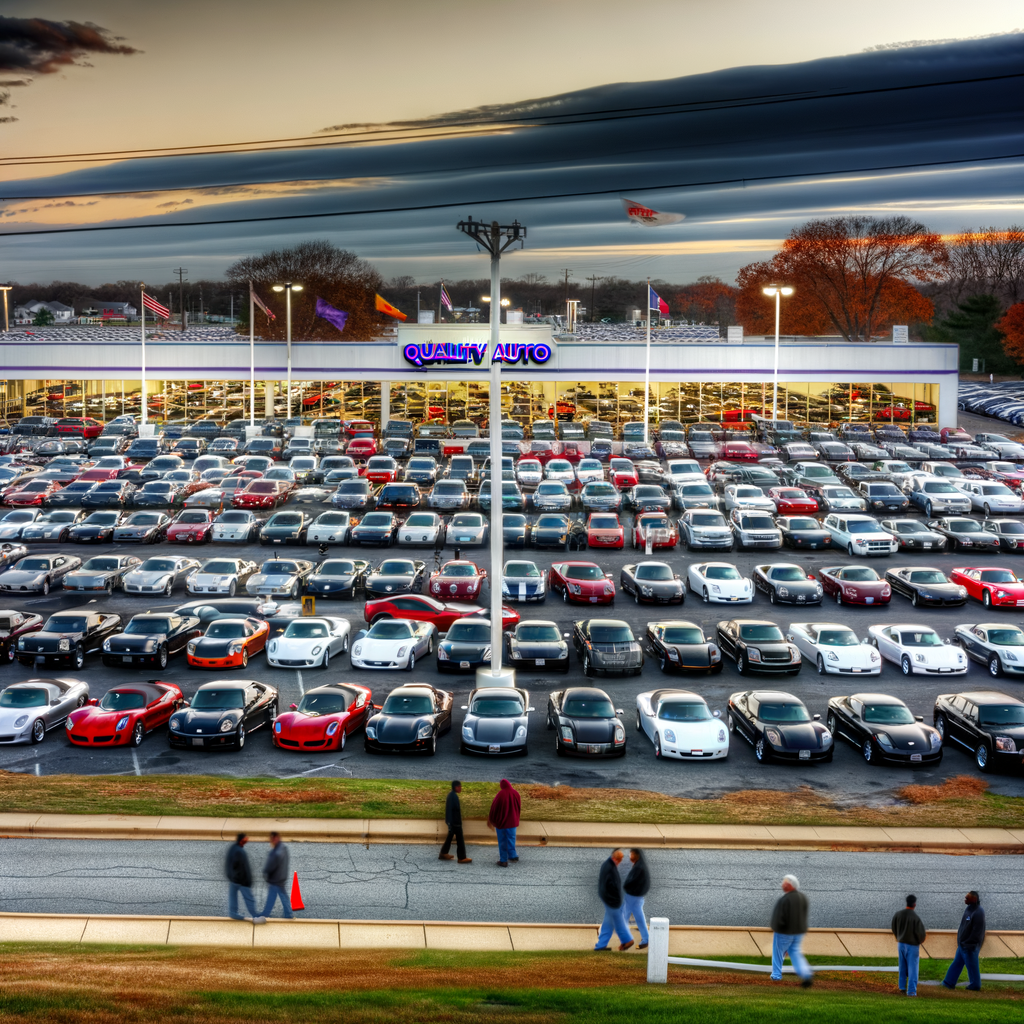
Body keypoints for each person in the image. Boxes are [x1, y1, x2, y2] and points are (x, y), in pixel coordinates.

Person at [769, 874, 812, 986]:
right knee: (795, 953)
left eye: (785, 882)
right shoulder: (803, 897)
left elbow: (779, 917)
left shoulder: (785, 899)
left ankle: (776, 976)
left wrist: (776, 928)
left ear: (789, 885)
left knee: (778, 953)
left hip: (784, 933)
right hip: (798, 933)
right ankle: (806, 974)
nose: (782, 884)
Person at [942, 891, 986, 991]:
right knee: (957, 963)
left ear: (974, 899)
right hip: (962, 945)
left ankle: (975, 985)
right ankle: (948, 982)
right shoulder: (968, 909)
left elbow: (977, 932)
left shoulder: (979, 912)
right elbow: (963, 926)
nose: (965, 900)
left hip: (970, 946)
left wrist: (969, 943)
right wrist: (960, 940)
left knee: (972, 967)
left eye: (967, 898)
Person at [595, 849, 634, 952]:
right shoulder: (610, 868)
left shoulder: (608, 865)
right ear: (615, 859)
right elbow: (611, 886)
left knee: (608, 923)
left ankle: (600, 946)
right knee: (618, 921)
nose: (619, 862)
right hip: (611, 901)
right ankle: (627, 939)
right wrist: (617, 900)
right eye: (619, 860)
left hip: (608, 899)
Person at [891, 894, 926, 996]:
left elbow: (894, 927)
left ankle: (902, 987)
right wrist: (920, 941)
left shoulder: (898, 915)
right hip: (912, 946)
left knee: (902, 966)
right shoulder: (916, 918)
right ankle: (911, 991)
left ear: (907, 902)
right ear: (914, 904)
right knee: (913, 969)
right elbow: (921, 934)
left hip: (901, 944)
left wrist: (898, 937)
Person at [254, 831, 293, 923]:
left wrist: (266, 872)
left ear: (275, 838)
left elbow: (270, 866)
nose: (271, 841)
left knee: (279, 896)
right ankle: (285, 913)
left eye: (272, 839)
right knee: (275, 897)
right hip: (281, 877)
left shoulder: (276, 852)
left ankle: (287, 914)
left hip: (276, 879)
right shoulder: (284, 848)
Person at [487, 779, 521, 867]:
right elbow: (518, 806)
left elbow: (494, 807)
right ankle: (513, 856)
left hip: (502, 823)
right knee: (511, 839)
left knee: (502, 841)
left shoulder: (500, 794)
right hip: (513, 822)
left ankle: (503, 860)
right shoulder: (516, 793)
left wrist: (492, 819)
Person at [623, 848, 650, 950]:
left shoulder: (639, 867)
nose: (630, 856)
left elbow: (631, 882)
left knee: (625, 917)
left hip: (633, 897)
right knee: (637, 918)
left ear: (636, 855)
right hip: (635, 896)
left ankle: (627, 940)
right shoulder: (639, 865)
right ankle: (645, 939)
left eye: (631, 854)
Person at [439, 780, 472, 864]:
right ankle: (461, 857)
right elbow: (451, 810)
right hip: (455, 823)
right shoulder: (453, 796)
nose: (460, 788)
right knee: (460, 840)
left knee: (449, 838)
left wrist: (449, 822)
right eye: (459, 786)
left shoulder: (452, 795)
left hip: (452, 822)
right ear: (456, 787)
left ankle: (443, 853)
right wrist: (452, 822)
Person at [225, 833, 256, 921]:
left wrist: (231, 876)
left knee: (233, 896)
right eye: (245, 839)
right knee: (249, 899)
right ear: (242, 840)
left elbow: (230, 864)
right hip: (242, 881)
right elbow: (242, 868)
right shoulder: (239, 851)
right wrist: (246, 880)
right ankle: (254, 915)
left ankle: (233, 913)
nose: (247, 841)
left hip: (234, 879)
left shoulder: (234, 848)